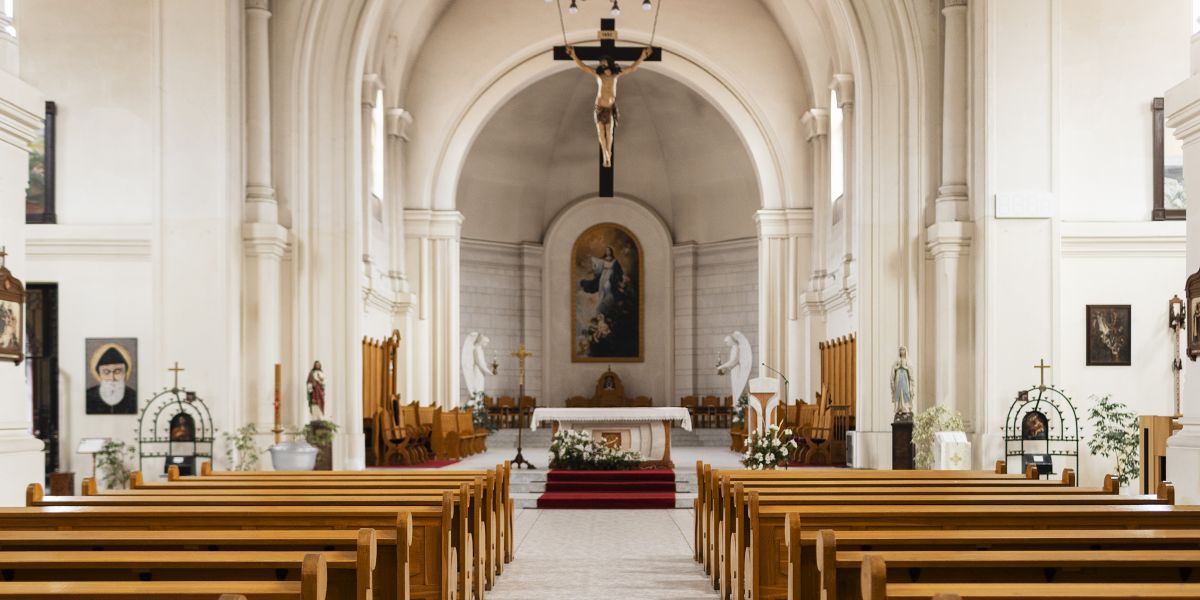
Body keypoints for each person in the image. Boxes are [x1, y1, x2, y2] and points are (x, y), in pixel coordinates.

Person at [566, 45, 653, 167]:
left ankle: (609, 154)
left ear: (610, 64)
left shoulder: (615, 75)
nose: (603, 65)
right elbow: (583, 67)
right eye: (601, 64)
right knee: (601, 133)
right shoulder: (598, 75)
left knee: (609, 132)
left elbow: (632, 68)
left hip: (610, 107)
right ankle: (605, 155)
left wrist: (643, 56)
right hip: (599, 107)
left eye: (605, 63)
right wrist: (573, 56)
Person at [86, 346, 138, 414]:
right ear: (99, 374)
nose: (112, 378)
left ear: (125, 373)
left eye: (117, 371)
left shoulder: (134, 397)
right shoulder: (87, 396)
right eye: (106, 372)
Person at [890, 346, 915, 421]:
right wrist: (897, 367)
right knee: (898, 393)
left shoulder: (908, 361)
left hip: (905, 379)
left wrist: (904, 367)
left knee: (905, 393)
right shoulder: (897, 360)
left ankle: (905, 408)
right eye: (900, 350)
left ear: (905, 351)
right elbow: (893, 370)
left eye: (903, 350)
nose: (902, 351)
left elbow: (910, 372)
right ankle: (899, 408)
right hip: (898, 379)